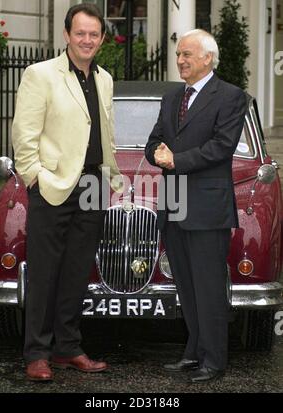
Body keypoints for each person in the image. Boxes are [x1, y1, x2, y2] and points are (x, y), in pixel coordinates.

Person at [12, 3, 122, 382]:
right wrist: (34, 177)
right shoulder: (40, 74)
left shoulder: (105, 79)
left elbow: (105, 135)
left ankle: (67, 348)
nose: (87, 40)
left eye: (94, 34)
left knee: (77, 271)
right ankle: (37, 354)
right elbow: (24, 136)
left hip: (93, 185)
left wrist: (113, 178)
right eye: (80, 33)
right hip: (53, 186)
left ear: (102, 39)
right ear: (67, 35)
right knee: (44, 272)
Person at [145, 29, 247, 383]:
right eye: (178, 54)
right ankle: (193, 353)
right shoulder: (171, 97)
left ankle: (214, 360)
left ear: (208, 58)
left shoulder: (232, 97)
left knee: (208, 287)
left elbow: (222, 147)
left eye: (187, 54)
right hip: (173, 206)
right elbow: (154, 141)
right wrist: (158, 154)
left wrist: (176, 160)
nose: (180, 60)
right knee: (186, 286)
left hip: (206, 209)